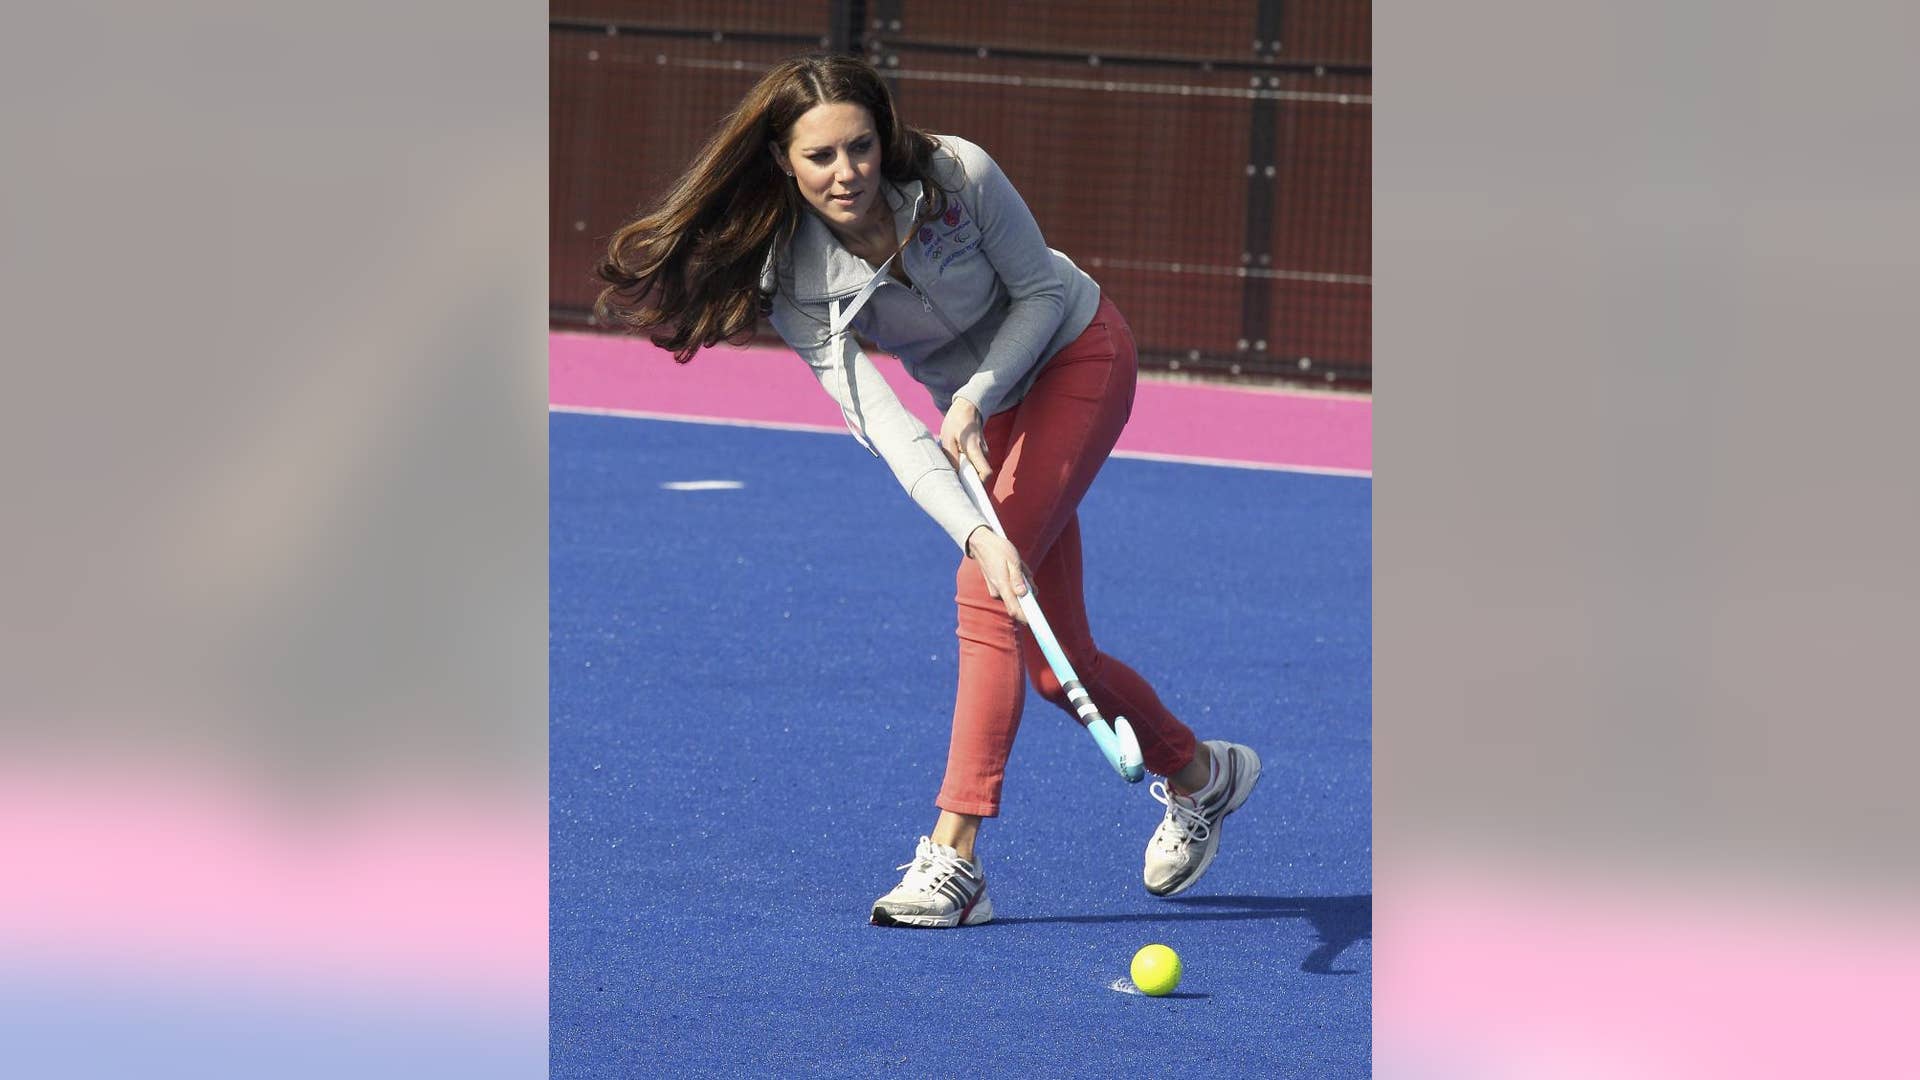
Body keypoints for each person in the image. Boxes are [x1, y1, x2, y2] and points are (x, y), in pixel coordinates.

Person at [594, 54, 1261, 927]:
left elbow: (1041, 292)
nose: (847, 173)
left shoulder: (956, 174)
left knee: (984, 594)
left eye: (860, 147)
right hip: (980, 420)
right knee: (1055, 665)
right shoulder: (794, 281)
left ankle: (956, 858)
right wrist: (976, 528)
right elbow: (888, 429)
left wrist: (975, 397)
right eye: (820, 156)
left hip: (1075, 352)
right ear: (783, 163)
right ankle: (1204, 775)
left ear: (884, 137)